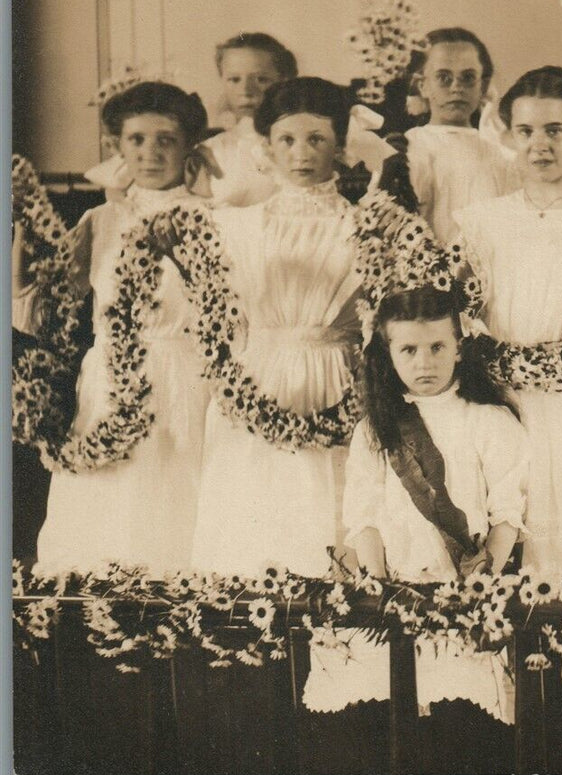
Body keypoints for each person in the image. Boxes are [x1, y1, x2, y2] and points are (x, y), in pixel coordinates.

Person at [14, 82, 212, 574]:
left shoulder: (213, 219)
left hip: (185, 374)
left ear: (189, 146)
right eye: (137, 140)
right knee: (107, 506)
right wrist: (18, 247)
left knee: (173, 497)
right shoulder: (100, 220)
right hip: (109, 378)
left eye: (165, 139)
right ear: (117, 148)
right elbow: (44, 301)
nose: (151, 153)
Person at [304, 285, 526, 721]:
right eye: (408, 350)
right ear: (389, 355)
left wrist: (475, 590)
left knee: (459, 720)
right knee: (388, 714)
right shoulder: (376, 428)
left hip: (464, 593)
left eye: (437, 347)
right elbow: (363, 518)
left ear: (459, 348)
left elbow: (507, 517)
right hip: (390, 592)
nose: (424, 362)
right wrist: (381, 592)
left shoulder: (490, 422)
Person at [452, 66, 562, 574]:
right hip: (500, 401)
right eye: (526, 131)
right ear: (509, 136)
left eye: (555, 130)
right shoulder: (481, 221)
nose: (540, 145)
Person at [186, 77, 364, 576]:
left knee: (330, 518)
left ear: (341, 146)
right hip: (256, 380)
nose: (301, 154)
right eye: (287, 140)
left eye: (317, 139)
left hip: (336, 377)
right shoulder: (234, 225)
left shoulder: (366, 225)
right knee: (253, 524)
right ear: (267, 146)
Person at [376, 27, 517, 244]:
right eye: (444, 77)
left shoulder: (502, 156)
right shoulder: (406, 149)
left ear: (483, 86)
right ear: (423, 85)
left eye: (468, 78)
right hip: (422, 271)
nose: (457, 88)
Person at [198, 32, 299, 207]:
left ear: (284, 81)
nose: (245, 90)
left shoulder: (301, 145)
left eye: (261, 79)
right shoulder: (210, 151)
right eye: (234, 79)